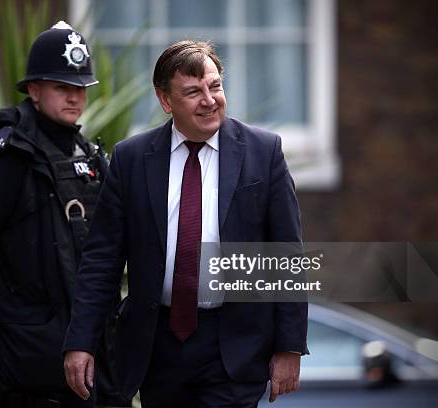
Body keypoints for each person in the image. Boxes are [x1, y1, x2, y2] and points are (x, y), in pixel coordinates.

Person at [63, 41, 308, 408]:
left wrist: (289, 347)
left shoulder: (264, 152)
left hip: (234, 347)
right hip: (158, 347)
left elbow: (287, 255)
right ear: (165, 101)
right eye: (193, 92)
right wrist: (81, 341)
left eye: (215, 86)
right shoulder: (132, 160)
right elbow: (102, 260)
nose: (209, 100)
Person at [0, 21, 127, 408]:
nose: (75, 97)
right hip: (26, 371)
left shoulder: (87, 156)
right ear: (35, 90)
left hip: (90, 362)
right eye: (63, 87)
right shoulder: (4, 157)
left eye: (80, 88)